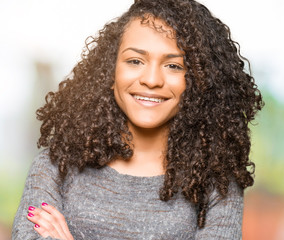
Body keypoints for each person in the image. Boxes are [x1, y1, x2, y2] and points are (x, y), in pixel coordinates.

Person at [12, 0, 263, 239]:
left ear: (198, 80)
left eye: (174, 66)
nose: (151, 79)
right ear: (111, 72)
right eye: (135, 61)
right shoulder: (57, 163)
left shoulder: (216, 179)